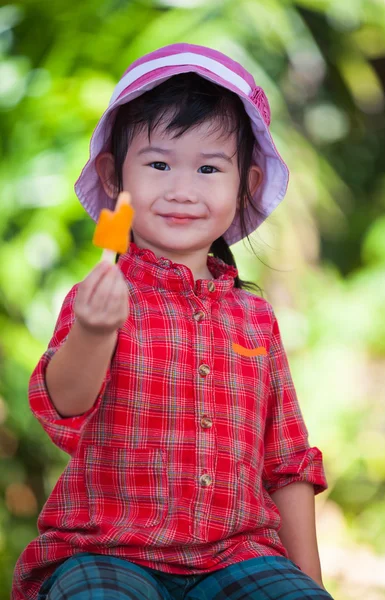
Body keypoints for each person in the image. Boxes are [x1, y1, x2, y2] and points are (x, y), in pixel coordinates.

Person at [12, 43, 333, 600]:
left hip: (237, 555)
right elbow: (61, 407)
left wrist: (308, 585)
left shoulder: (254, 318)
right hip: (107, 551)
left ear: (246, 185)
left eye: (209, 168)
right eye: (159, 164)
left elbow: (287, 463)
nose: (182, 190)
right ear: (115, 177)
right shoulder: (102, 296)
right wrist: (93, 331)